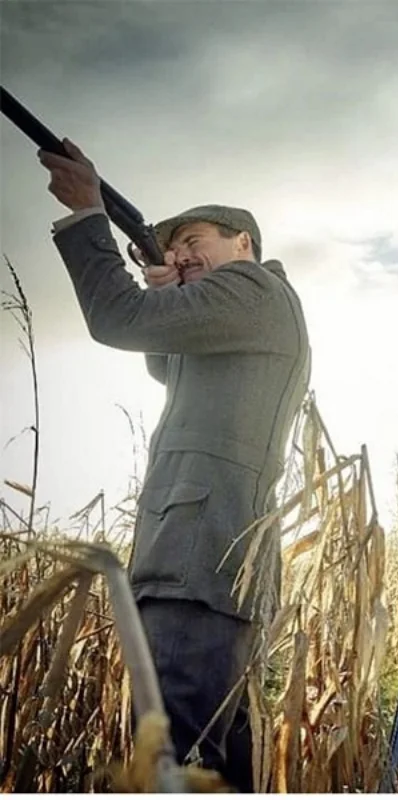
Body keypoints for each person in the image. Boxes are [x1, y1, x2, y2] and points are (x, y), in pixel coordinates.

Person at [37, 139, 311, 791]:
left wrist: (88, 214)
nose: (181, 253)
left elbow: (118, 318)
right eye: (172, 246)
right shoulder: (246, 311)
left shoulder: (251, 288)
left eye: (194, 241)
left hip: (198, 564)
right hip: (206, 565)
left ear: (243, 243)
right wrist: (168, 292)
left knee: (172, 761)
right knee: (213, 768)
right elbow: (166, 362)